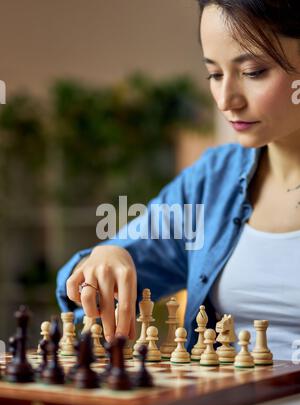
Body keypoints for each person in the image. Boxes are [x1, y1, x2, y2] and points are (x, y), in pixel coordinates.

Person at [56, 1, 300, 360]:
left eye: (253, 71)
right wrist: (103, 259)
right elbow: (88, 287)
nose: (226, 100)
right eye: (214, 75)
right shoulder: (212, 180)